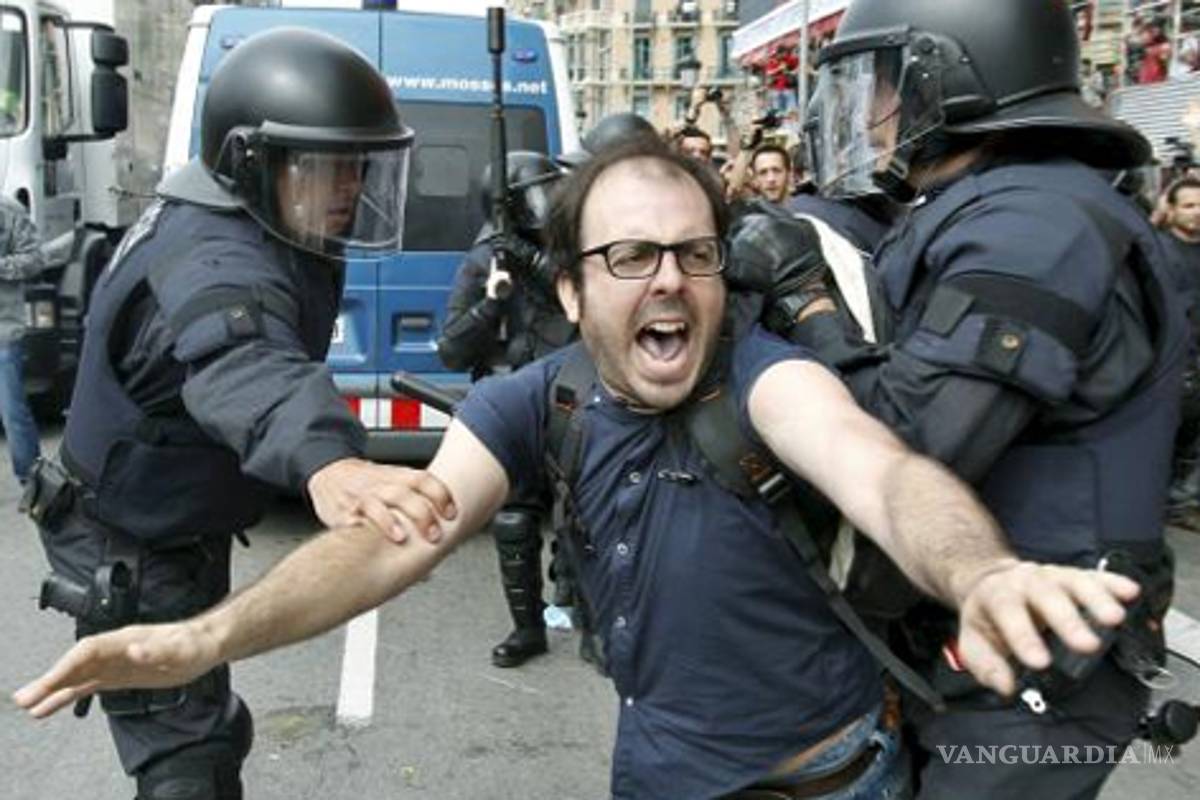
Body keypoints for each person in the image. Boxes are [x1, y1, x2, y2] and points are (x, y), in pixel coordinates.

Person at [16, 140, 1144, 800]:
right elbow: (389, 539)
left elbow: (883, 473)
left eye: (692, 253)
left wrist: (983, 573)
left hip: (826, 779)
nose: (667, 280)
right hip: (648, 772)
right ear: (569, 290)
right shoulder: (536, 397)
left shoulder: (768, 378)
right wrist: (206, 638)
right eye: (628, 255)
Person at [777, 1, 1187, 797]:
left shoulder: (1036, 224)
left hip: (1031, 667)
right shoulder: (1005, 204)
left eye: (884, 83)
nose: (868, 111)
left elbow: (907, 442)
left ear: (957, 75)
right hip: (973, 645)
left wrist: (807, 305)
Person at [18, 28, 434, 800]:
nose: (348, 188)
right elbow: (240, 361)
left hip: (169, 519)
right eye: (325, 165)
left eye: (359, 166)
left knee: (208, 714)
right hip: (126, 537)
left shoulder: (256, 217)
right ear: (252, 162)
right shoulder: (215, 256)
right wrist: (330, 462)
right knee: (186, 760)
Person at [437, 150, 577, 668]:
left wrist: (531, 259)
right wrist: (492, 302)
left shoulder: (570, 252)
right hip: (515, 400)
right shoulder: (486, 259)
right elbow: (451, 348)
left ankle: (589, 612)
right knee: (515, 520)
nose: (552, 204)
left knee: (588, 513)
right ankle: (527, 627)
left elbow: (579, 301)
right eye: (539, 195)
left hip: (573, 392)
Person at [1158, 178, 1200, 517]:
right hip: (1174, 360)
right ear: (1170, 210)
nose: (1198, 213)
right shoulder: (1157, 251)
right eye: (1189, 205)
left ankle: (1180, 500)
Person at [0, 196, 42, 484]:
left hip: (3, 331)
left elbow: (35, 260)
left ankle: (32, 481)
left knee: (12, 412)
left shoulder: (9, 211)